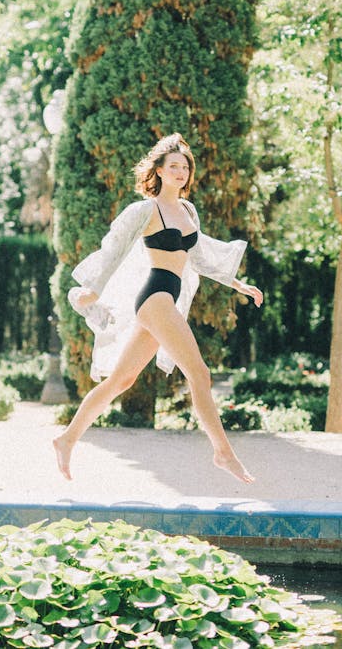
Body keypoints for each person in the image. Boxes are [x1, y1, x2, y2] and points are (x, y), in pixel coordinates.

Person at [53, 132, 262, 485]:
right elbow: (114, 249)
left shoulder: (187, 211)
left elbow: (201, 258)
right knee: (201, 374)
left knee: (122, 380)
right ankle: (223, 453)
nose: (181, 172)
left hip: (163, 300)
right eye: (174, 166)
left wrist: (238, 284)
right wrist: (91, 289)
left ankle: (66, 439)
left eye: (185, 167)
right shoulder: (146, 210)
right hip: (155, 298)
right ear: (160, 171)